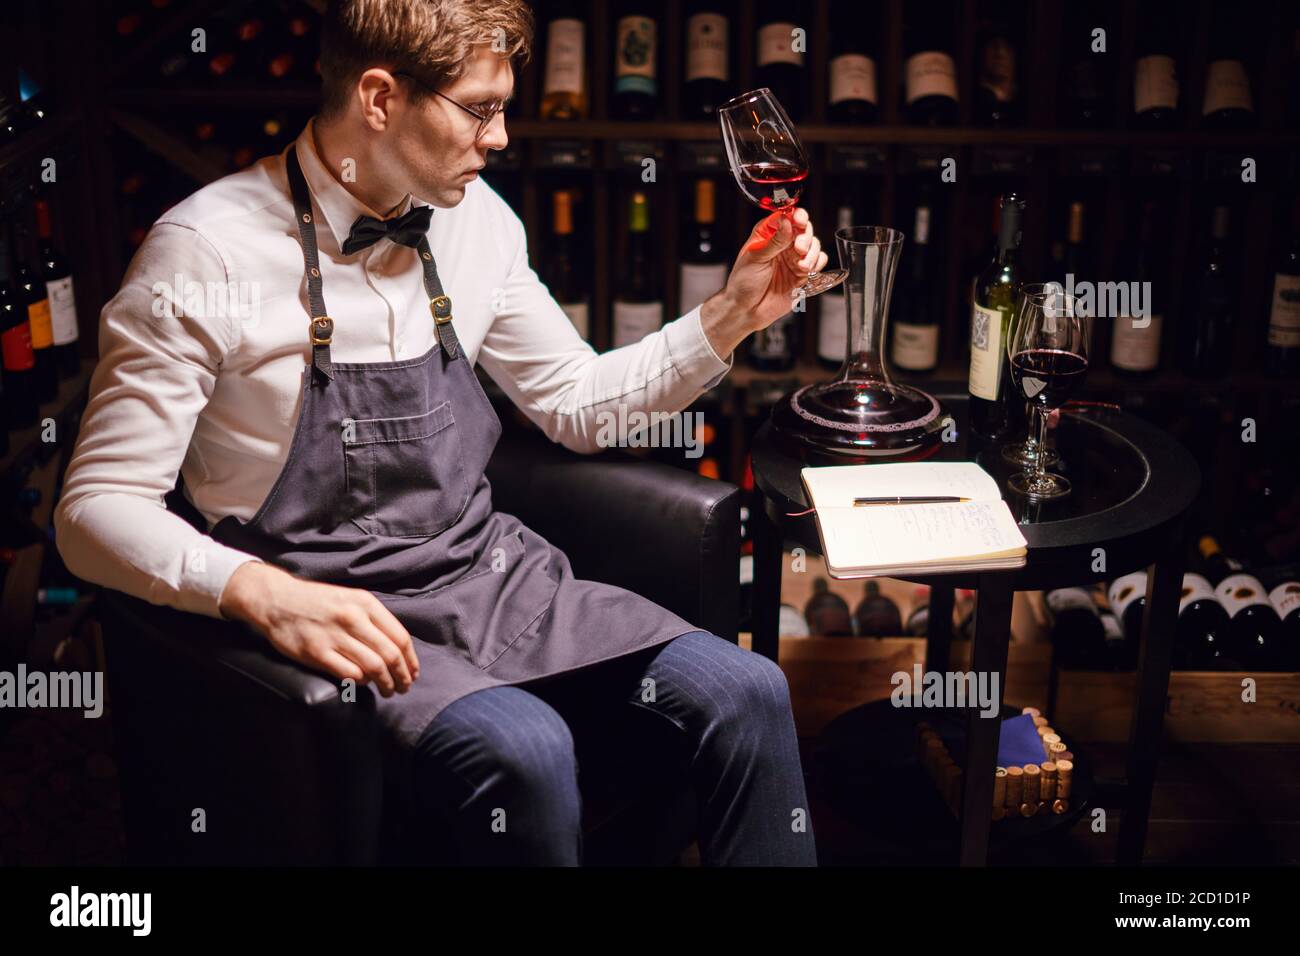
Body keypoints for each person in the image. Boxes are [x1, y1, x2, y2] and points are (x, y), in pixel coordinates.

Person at [55, 0, 828, 865]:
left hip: (490, 582)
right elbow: (94, 511)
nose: (501, 138)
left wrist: (728, 316)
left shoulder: (477, 220)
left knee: (749, 690)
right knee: (525, 747)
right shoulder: (205, 254)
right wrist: (261, 594)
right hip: (338, 608)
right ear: (380, 98)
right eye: (480, 108)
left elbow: (576, 405)